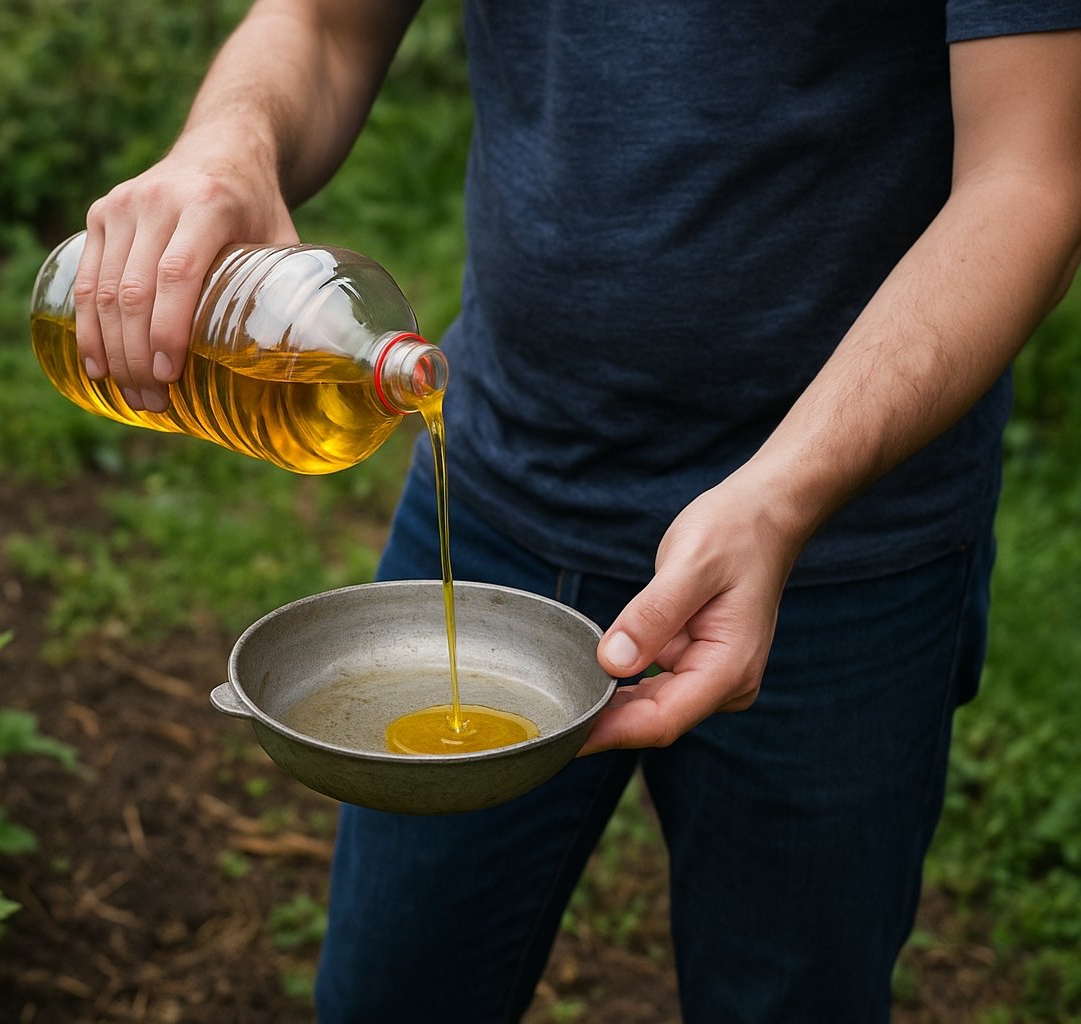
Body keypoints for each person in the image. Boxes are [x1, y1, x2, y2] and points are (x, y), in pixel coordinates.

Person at [68, 2, 1081, 1020]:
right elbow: (327, 25)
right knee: (391, 997)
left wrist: (784, 496)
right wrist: (230, 140)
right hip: (498, 492)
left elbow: (1030, 177)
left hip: (844, 550)